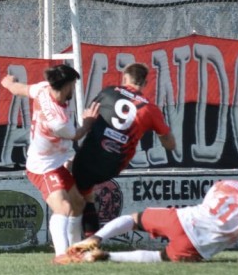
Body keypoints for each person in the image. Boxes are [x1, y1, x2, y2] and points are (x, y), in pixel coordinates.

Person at [62, 161, 238, 264]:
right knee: (161, 257)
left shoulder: (224, 184)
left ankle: (97, 238)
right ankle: (106, 257)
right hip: (198, 245)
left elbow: (209, 205)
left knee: (135, 219)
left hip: (183, 219)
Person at [1, 64, 98, 262]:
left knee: (78, 203)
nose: (74, 89)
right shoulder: (59, 120)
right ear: (66, 86)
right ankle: (61, 255)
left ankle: (76, 251)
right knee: (63, 207)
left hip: (58, 160)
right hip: (43, 167)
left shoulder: (44, 89)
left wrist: (9, 83)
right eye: (73, 85)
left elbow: (22, 89)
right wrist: (88, 122)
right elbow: (76, 134)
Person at [72, 63, 176, 236]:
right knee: (85, 193)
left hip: (89, 157)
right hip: (114, 165)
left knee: (75, 194)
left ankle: (77, 241)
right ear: (145, 83)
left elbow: (89, 118)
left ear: (125, 78)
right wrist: (164, 134)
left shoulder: (108, 92)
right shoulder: (150, 109)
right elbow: (170, 145)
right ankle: (87, 240)